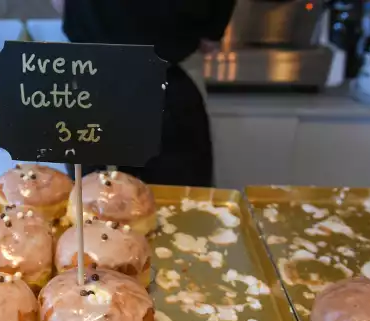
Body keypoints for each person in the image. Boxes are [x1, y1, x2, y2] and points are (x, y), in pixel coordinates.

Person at [54, 0, 236, 187]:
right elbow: (209, 39)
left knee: (96, 203)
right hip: (167, 75)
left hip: (94, 78)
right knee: (178, 204)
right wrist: (212, 28)